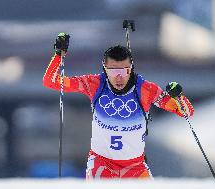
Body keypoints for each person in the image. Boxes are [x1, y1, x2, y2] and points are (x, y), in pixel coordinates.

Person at [43, 33, 194, 179]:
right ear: (104, 68)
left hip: (135, 167)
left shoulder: (146, 90)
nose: (119, 77)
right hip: (102, 165)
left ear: (131, 68)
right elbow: (52, 81)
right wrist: (58, 55)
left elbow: (186, 113)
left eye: (124, 70)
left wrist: (179, 96)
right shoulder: (94, 84)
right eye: (113, 71)